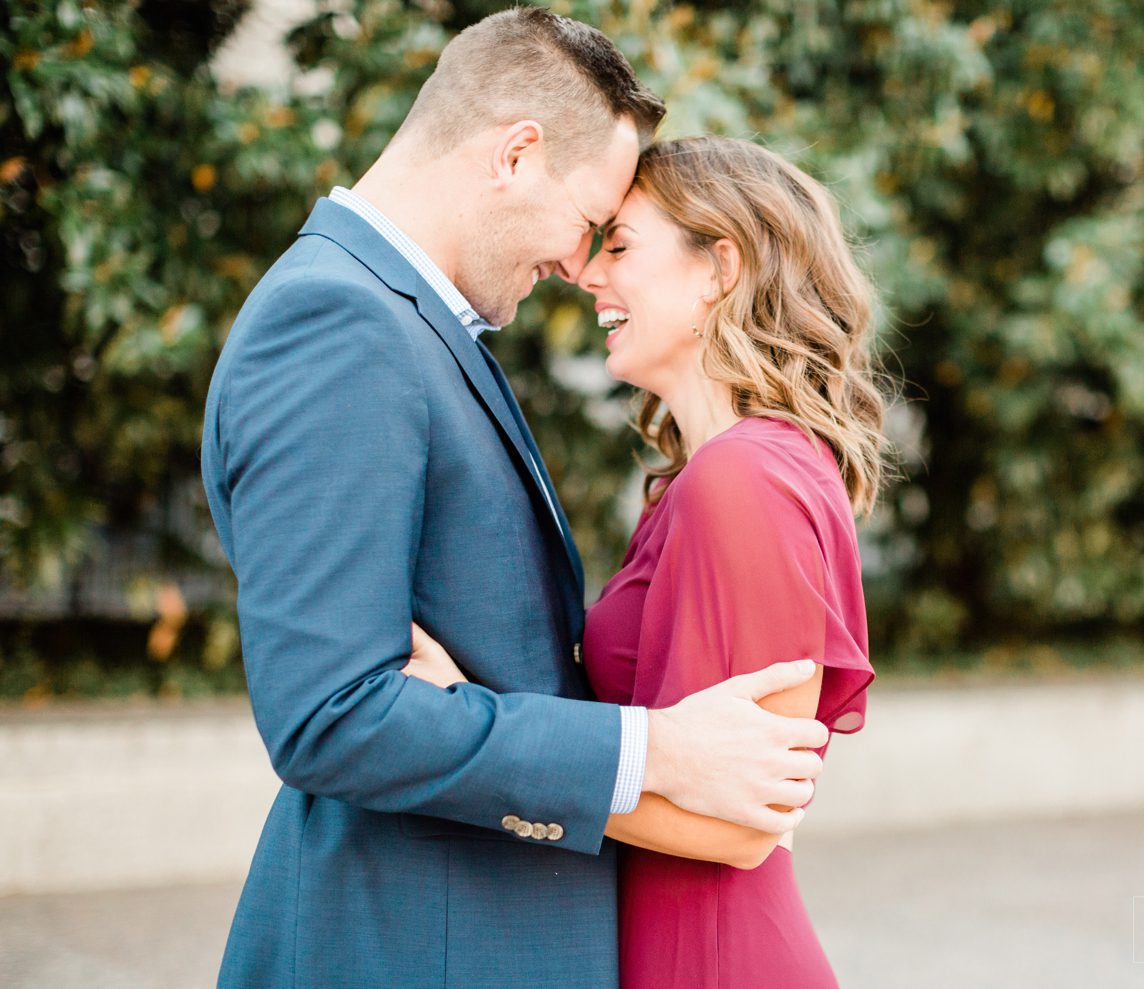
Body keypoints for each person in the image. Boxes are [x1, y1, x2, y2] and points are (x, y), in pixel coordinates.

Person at [199, 10, 829, 988]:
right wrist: (650, 749)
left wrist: (468, 699)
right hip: (417, 948)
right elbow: (328, 712)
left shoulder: (408, 329)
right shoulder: (340, 322)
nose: (580, 268)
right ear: (515, 155)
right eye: (588, 224)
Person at [409, 135, 889, 987]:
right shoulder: (715, 476)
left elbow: (749, 824)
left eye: (621, 245)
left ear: (720, 267)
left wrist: (471, 726)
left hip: (708, 955)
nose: (590, 275)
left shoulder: (745, 478)